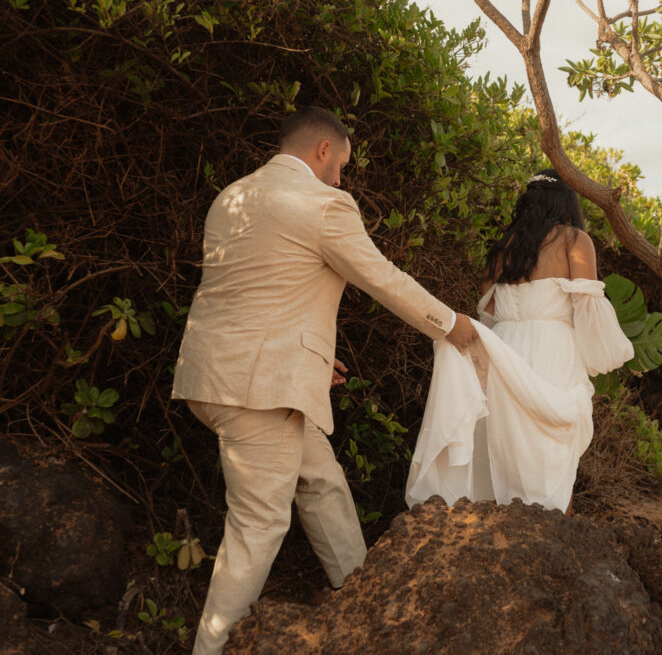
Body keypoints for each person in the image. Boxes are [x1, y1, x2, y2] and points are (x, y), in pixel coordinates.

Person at [172, 106, 477, 654]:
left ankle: (363, 599)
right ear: (322, 150)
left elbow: (259, 291)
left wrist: (306, 360)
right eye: (342, 163)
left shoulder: (231, 197)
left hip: (211, 375)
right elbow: (383, 279)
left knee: (321, 480)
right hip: (258, 390)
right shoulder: (322, 203)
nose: (342, 176)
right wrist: (451, 325)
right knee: (258, 526)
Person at [406, 168, 633, 512]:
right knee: (554, 450)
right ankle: (555, 539)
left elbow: (490, 314)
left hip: (506, 351)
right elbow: (588, 306)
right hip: (554, 350)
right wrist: (602, 355)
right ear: (566, 202)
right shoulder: (574, 241)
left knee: (508, 448)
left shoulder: (502, 250)